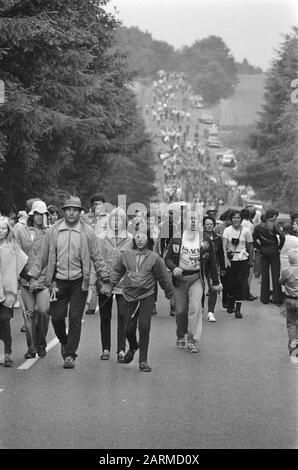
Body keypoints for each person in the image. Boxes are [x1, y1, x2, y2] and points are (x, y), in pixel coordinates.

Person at [28, 196, 111, 369]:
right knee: (57, 318)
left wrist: (106, 279)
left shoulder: (88, 232)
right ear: (64, 211)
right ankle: (64, 342)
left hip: (79, 282)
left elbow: (97, 257)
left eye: (75, 209)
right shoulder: (54, 231)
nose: (71, 212)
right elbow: (43, 256)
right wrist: (34, 276)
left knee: (74, 318)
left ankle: (70, 354)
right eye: (68, 209)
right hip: (57, 282)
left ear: (80, 212)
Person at [110, 227, 174, 372]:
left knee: (144, 327)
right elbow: (117, 271)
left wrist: (170, 295)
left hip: (146, 296)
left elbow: (164, 277)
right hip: (129, 295)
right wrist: (109, 286)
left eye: (143, 236)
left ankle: (143, 360)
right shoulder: (126, 255)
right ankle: (133, 347)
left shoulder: (154, 258)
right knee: (128, 330)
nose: (139, 239)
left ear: (149, 240)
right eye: (137, 236)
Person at [165, 210, 221, 352]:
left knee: (195, 309)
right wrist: (173, 267)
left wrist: (215, 282)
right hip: (179, 279)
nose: (194, 221)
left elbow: (212, 262)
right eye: (191, 219)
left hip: (196, 278)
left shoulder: (205, 240)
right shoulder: (177, 238)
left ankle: (192, 340)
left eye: (196, 219)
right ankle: (180, 335)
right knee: (181, 310)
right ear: (186, 221)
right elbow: (167, 259)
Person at [96, 207, 133, 362]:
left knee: (123, 317)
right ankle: (105, 348)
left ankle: (121, 350)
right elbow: (98, 259)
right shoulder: (102, 237)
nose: (116, 222)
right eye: (114, 219)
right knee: (105, 317)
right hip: (105, 282)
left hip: (124, 283)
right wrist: (102, 280)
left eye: (119, 219)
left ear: (124, 221)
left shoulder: (131, 239)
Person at [15, 200, 51, 358]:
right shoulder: (21, 231)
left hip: (43, 280)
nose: (39, 217)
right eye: (36, 214)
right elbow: (16, 254)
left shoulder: (49, 233)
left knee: (43, 312)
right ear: (31, 214)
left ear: (46, 216)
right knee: (29, 314)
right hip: (25, 280)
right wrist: (25, 277)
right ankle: (31, 348)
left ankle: (41, 343)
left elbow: (51, 257)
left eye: (42, 214)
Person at [0, 216, 28, 367]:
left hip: (8, 293)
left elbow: (24, 266)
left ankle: (7, 353)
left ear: (8, 230)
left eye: (3, 228)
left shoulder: (13, 247)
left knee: (4, 321)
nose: (0, 231)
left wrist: (33, 278)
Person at [222, 209, 254, 318]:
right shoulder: (227, 230)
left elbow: (250, 246)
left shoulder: (246, 231)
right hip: (231, 260)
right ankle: (230, 303)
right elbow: (224, 246)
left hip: (242, 259)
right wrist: (225, 259)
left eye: (238, 218)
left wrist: (251, 260)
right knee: (230, 284)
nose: (236, 220)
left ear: (241, 219)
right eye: (234, 218)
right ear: (231, 219)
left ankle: (238, 310)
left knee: (240, 283)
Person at [253, 209, 285, 305]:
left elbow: (253, 239)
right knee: (276, 274)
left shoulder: (258, 227)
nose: (276, 218)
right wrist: (279, 247)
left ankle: (264, 298)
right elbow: (282, 236)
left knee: (265, 274)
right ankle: (276, 298)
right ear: (273, 216)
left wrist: (259, 248)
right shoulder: (274, 224)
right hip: (274, 249)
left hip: (264, 249)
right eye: (276, 216)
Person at [203, 216, 225, 322]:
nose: (209, 226)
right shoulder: (199, 237)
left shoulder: (218, 238)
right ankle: (200, 308)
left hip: (213, 266)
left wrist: (223, 268)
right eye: (207, 224)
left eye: (211, 224)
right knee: (199, 288)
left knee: (213, 288)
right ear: (204, 225)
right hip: (200, 265)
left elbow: (221, 254)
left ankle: (210, 312)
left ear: (214, 225)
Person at [279, 249, 298, 355]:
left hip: (290, 300)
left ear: (290, 260)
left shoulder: (286, 270)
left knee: (291, 324)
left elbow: (281, 281)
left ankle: (293, 346)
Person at [241, 208, 257, 301]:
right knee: (248, 274)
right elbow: (250, 241)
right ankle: (246, 293)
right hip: (248, 251)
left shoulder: (239, 223)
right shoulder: (250, 225)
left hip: (240, 251)